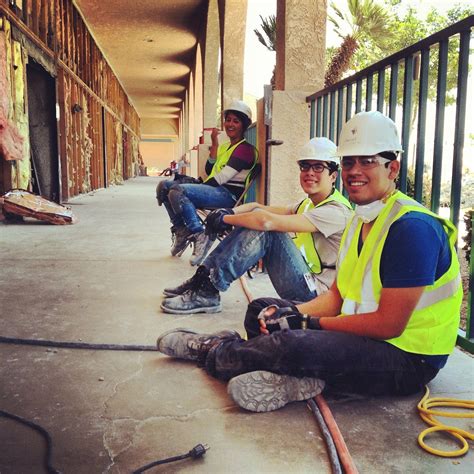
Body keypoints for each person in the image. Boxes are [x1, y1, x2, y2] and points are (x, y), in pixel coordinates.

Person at [156, 111, 462, 413]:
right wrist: (293, 312)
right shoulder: (361, 219)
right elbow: (338, 297)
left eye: (367, 161)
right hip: (362, 334)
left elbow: (389, 325)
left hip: (407, 358)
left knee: (295, 343)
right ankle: (296, 378)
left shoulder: (411, 228)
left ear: (392, 168)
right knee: (261, 310)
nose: (355, 170)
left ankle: (216, 350)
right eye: (349, 161)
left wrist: (306, 323)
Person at [160, 136, 353, 315]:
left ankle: (207, 290)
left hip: (318, 297)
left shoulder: (336, 212)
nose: (310, 173)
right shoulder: (308, 204)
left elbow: (266, 221)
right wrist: (229, 212)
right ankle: (202, 280)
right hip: (306, 281)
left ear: (333, 175)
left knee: (267, 231)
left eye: (318, 167)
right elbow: (257, 207)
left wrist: (224, 220)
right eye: (305, 166)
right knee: (257, 220)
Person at [156, 100, 258, 266]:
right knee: (164, 187)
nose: (230, 124)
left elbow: (220, 178)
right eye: (228, 119)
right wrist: (215, 145)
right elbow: (210, 169)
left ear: (244, 125)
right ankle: (181, 231)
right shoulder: (227, 146)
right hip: (216, 190)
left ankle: (199, 233)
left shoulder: (245, 150)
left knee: (177, 191)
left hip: (229, 196)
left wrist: (194, 185)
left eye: (236, 121)